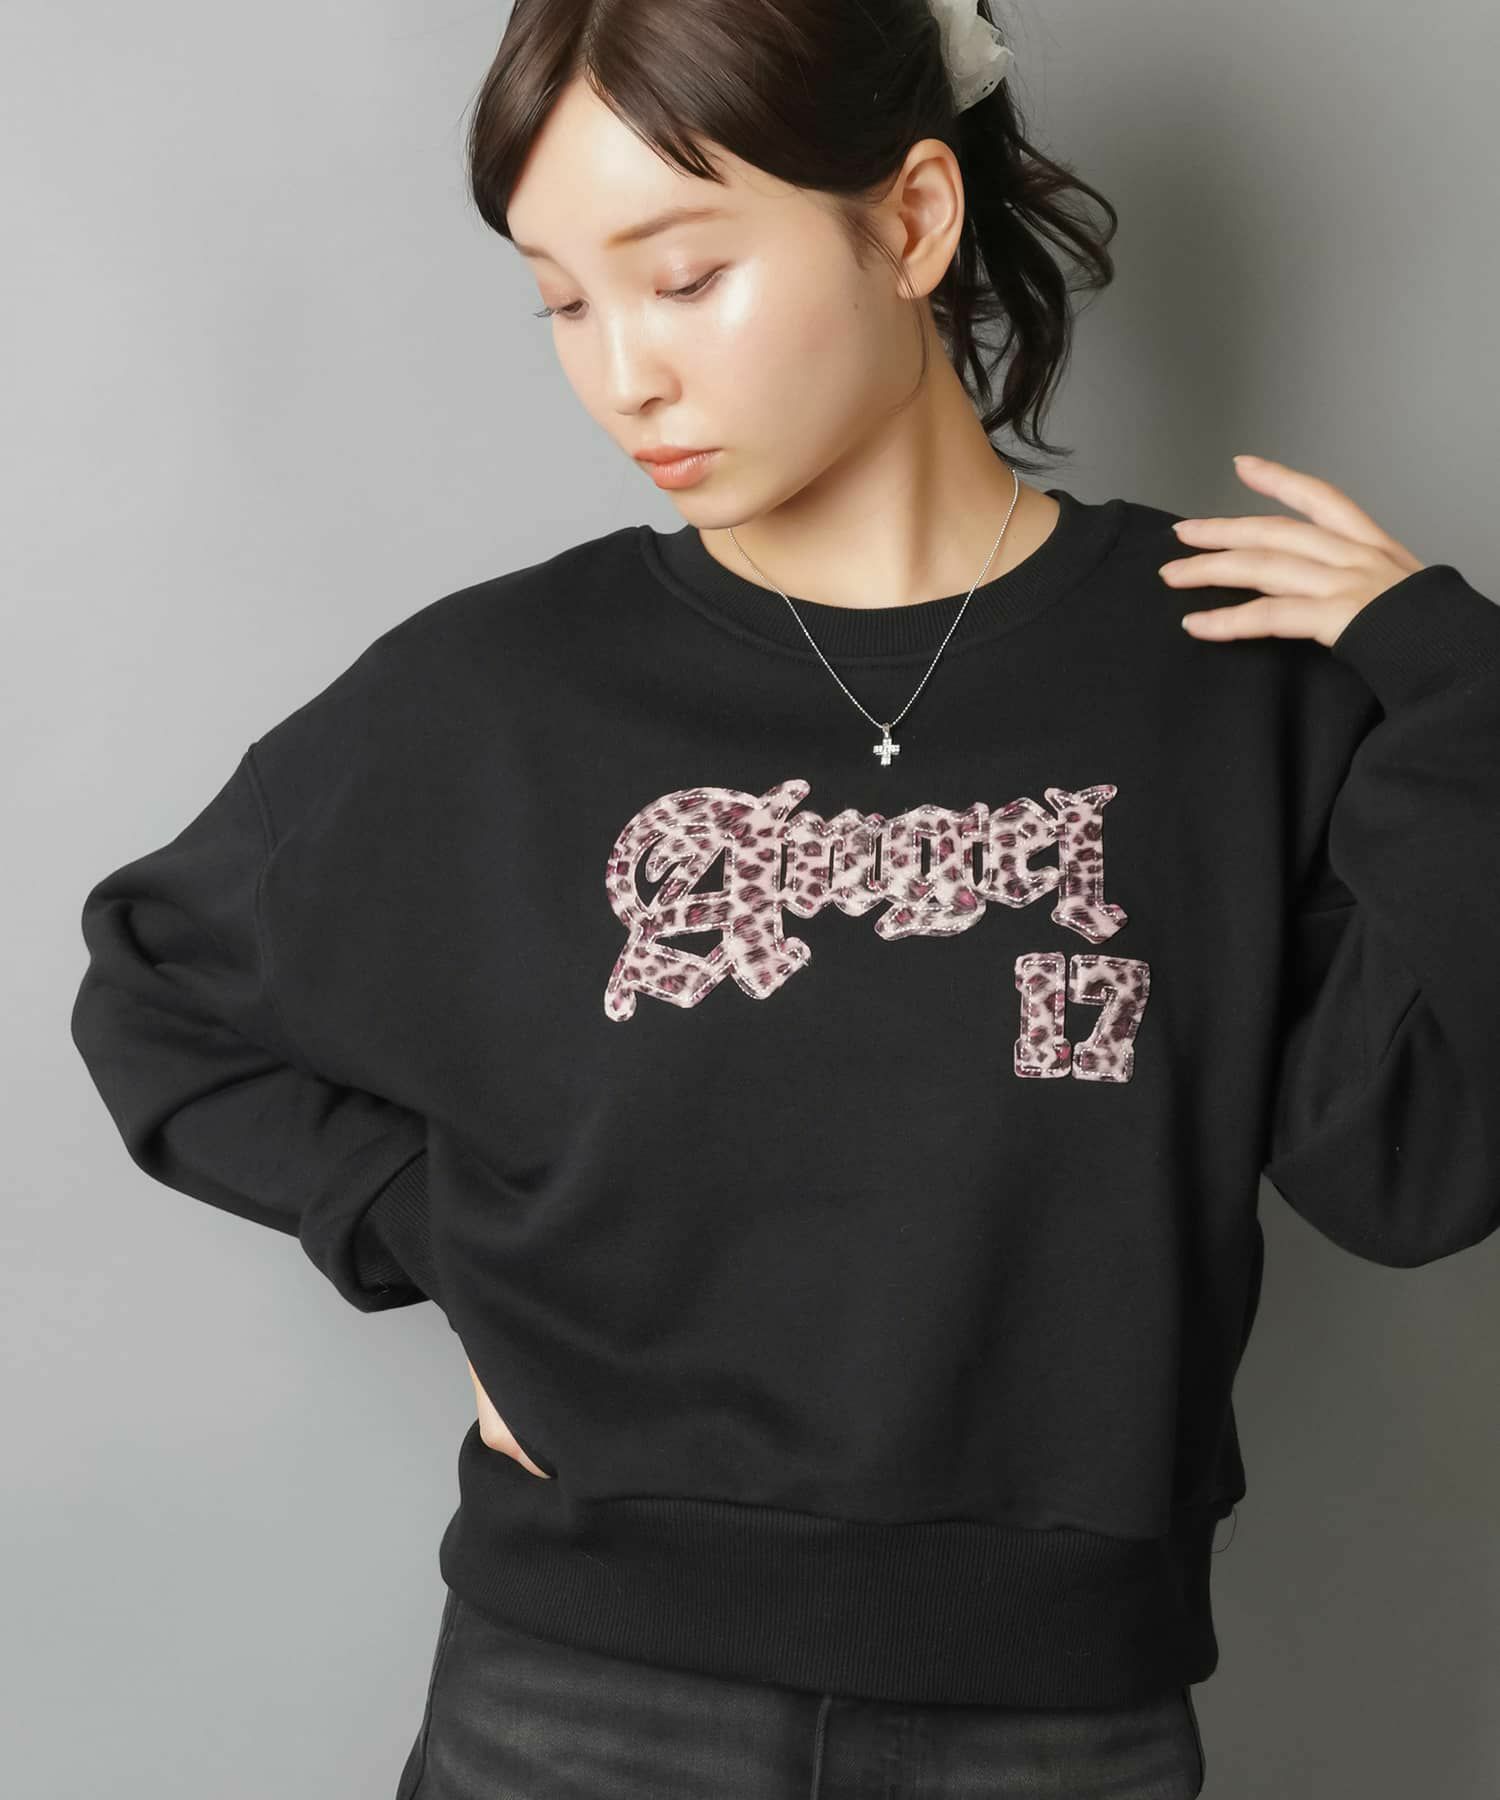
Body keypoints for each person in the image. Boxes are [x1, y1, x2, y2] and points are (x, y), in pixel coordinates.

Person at [68, 1, 1500, 1796]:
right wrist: (441, 1241)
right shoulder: (504, 691)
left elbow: (1414, 1172)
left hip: (1059, 1727)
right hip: (583, 1711)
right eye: (563, 303)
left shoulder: (1224, 676)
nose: (624, 376)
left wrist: (1465, 701)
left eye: (684, 279)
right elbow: (156, 987)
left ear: (911, 220)